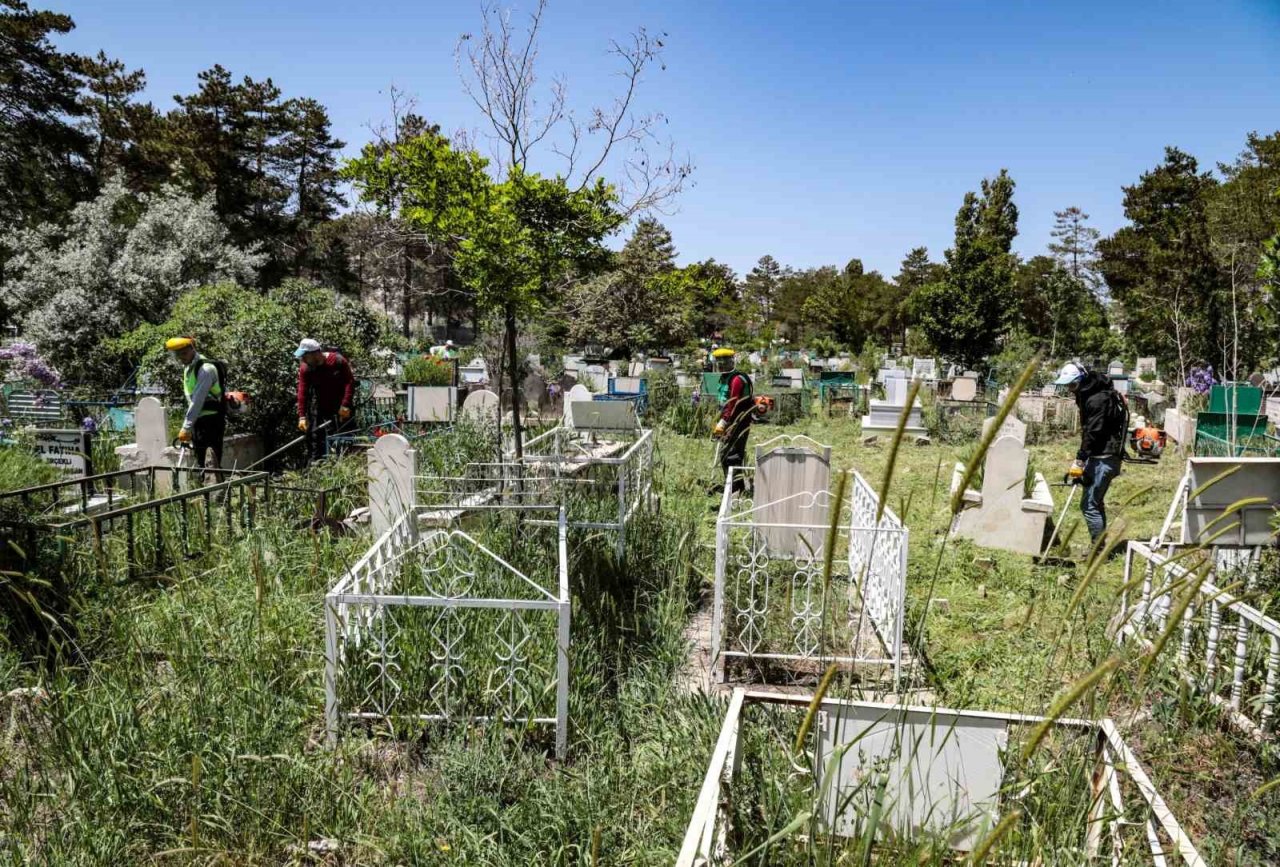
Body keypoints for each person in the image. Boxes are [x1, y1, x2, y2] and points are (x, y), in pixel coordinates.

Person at [1055, 360, 1128, 544]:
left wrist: (1080, 459)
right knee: (1094, 503)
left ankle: (1097, 550)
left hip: (1105, 457)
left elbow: (1093, 432)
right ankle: (1099, 544)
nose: (1070, 389)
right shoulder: (1090, 394)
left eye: (1072, 385)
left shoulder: (1097, 400)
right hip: (1099, 455)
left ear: (1081, 380)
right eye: (1067, 386)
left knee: (1089, 505)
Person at [165, 337, 225, 474]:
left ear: (193, 349)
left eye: (184, 353)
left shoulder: (205, 369)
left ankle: (216, 493)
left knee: (211, 462)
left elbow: (197, 400)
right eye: (177, 355)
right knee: (201, 461)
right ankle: (206, 493)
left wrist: (186, 427)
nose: (181, 357)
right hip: (200, 420)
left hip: (211, 421)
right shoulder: (189, 368)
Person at [295, 338, 355, 462]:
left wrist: (346, 404)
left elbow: (349, 382)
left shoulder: (338, 361)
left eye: (305, 356)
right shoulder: (306, 368)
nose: (303, 359)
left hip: (341, 407)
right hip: (320, 408)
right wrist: (302, 416)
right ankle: (317, 470)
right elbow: (302, 392)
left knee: (344, 440)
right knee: (316, 442)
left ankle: (346, 467)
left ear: (315, 353)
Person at [711, 347, 754, 494]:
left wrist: (723, 422)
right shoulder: (724, 378)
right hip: (728, 420)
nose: (722, 366)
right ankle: (733, 486)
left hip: (738, 422)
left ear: (731, 362)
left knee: (732, 455)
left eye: (725, 363)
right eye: (719, 364)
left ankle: (736, 490)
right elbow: (723, 402)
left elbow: (733, 404)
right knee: (725, 454)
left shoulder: (737, 380)